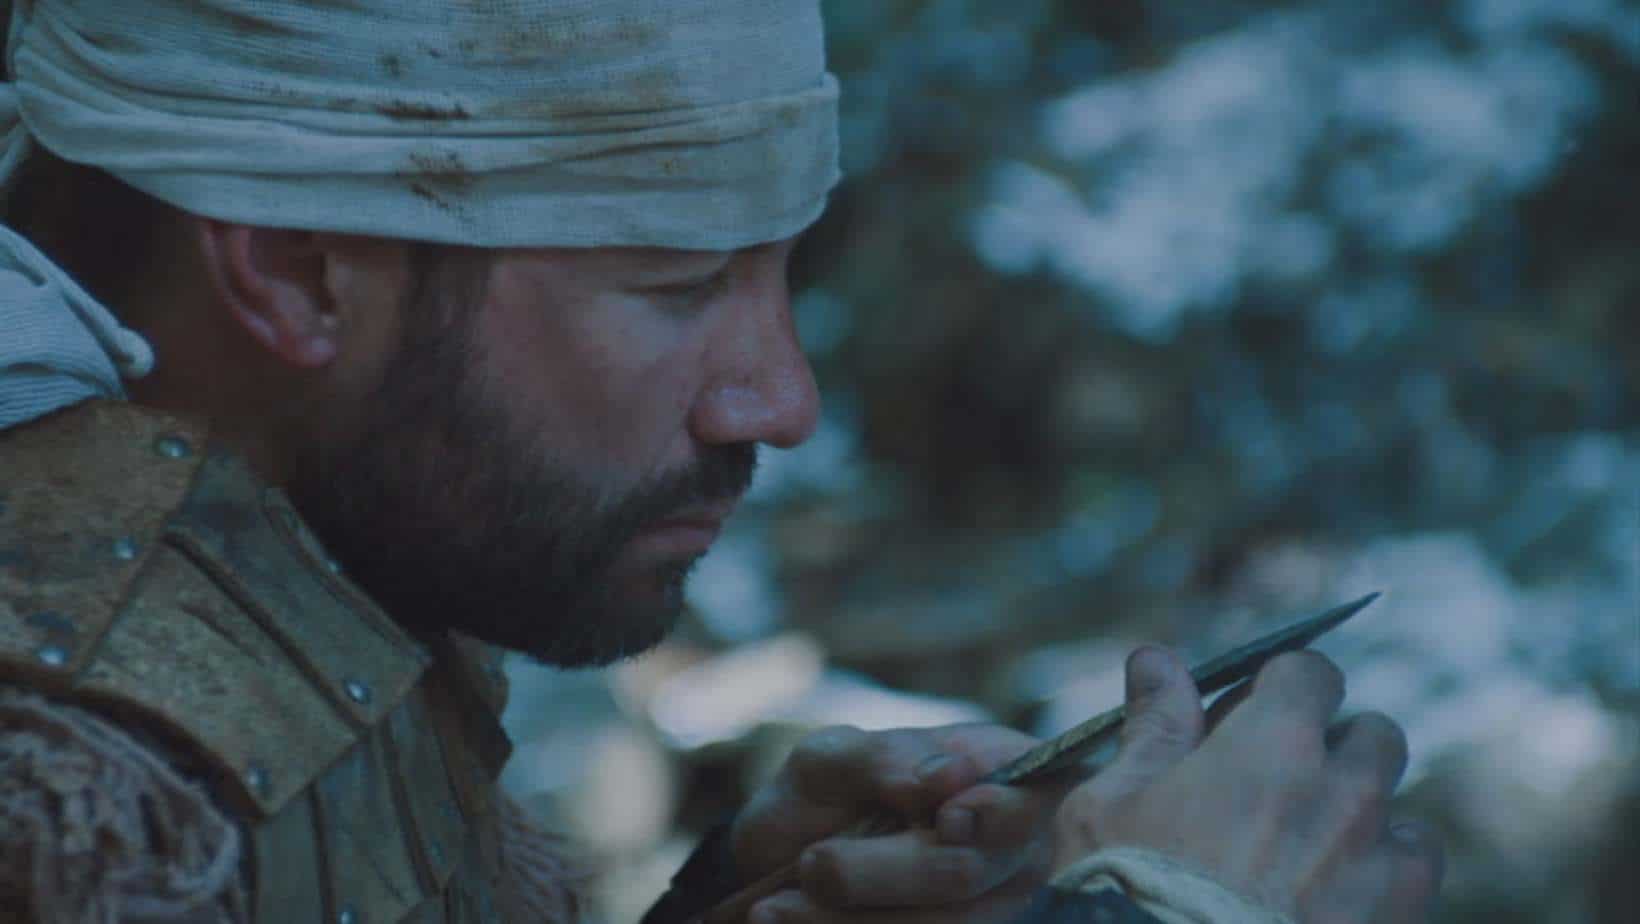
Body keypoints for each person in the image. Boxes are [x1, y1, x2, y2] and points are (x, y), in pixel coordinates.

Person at [0, 1, 1443, 922]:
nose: (780, 398)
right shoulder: (57, 775)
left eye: (776, 276)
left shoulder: (293, 534)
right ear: (301, 274)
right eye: (679, 285)